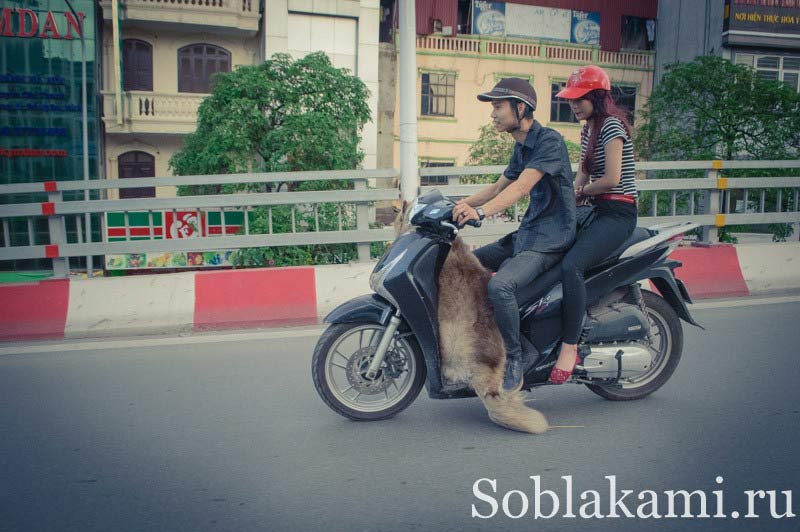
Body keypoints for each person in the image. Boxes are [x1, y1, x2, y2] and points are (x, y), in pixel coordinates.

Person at [452, 78, 576, 392]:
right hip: (529, 233)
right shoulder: (521, 146)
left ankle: (514, 359)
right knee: (468, 264)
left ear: (520, 108)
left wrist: (480, 213)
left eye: (498, 106)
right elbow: (498, 187)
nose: (492, 114)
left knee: (501, 286)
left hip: (550, 239)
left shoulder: (549, 141)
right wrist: (458, 205)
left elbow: (521, 188)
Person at [548, 65, 639, 384]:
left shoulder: (612, 126)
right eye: (570, 99)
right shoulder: (588, 130)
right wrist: (562, 205)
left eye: (580, 99)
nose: (573, 104)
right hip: (598, 209)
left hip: (619, 214)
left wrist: (581, 192)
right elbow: (581, 178)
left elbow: (612, 179)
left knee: (572, 265)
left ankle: (569, 347)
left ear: (597, 98)